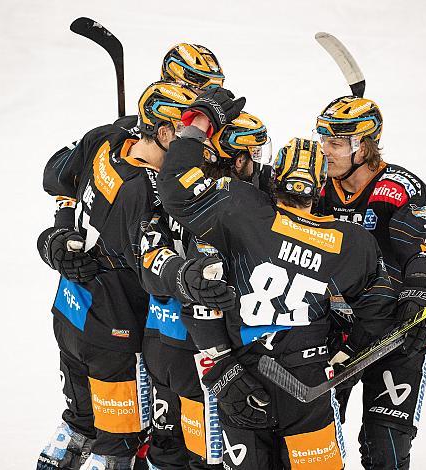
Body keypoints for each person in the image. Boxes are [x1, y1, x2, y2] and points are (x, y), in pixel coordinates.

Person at [156, 88, 397, 469]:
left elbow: (174, 186)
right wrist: (349, 350)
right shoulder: (351, 242)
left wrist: (197, 127)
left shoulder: (239, 209)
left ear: (275, 179)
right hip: (308, 383)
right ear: (319, 188)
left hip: (243, 375)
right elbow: (378, 302)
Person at [35, 80, 235, 470]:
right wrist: (187, 274)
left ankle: (72, 444)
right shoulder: (146, 190)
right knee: (118, 447)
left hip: (72, 306)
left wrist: (60, 234)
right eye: (182, 136)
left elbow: (57, 177)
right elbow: (152, 264)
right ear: (161, 132)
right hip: (116, 329)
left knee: (82, 423)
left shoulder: (110, 137)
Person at [314, 96, 426, 469]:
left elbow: (425, 252)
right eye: (323, 138)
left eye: (335, 143)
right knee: (319, 451)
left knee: (384, 451)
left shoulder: (398, 187)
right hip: (332, 335)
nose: (325, 150)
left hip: (392, 334)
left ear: (364, 147)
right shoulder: (317, 185)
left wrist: (419, 298)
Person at [143, 112, 270, 470]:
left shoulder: (174, 191)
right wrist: (222, 364)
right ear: (234, 158)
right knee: (202, 460)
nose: (257, 164)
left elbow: (149, 261)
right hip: (202, 354)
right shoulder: (228, 206)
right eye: (251, 154)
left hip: (165, 340)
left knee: (170, 452)